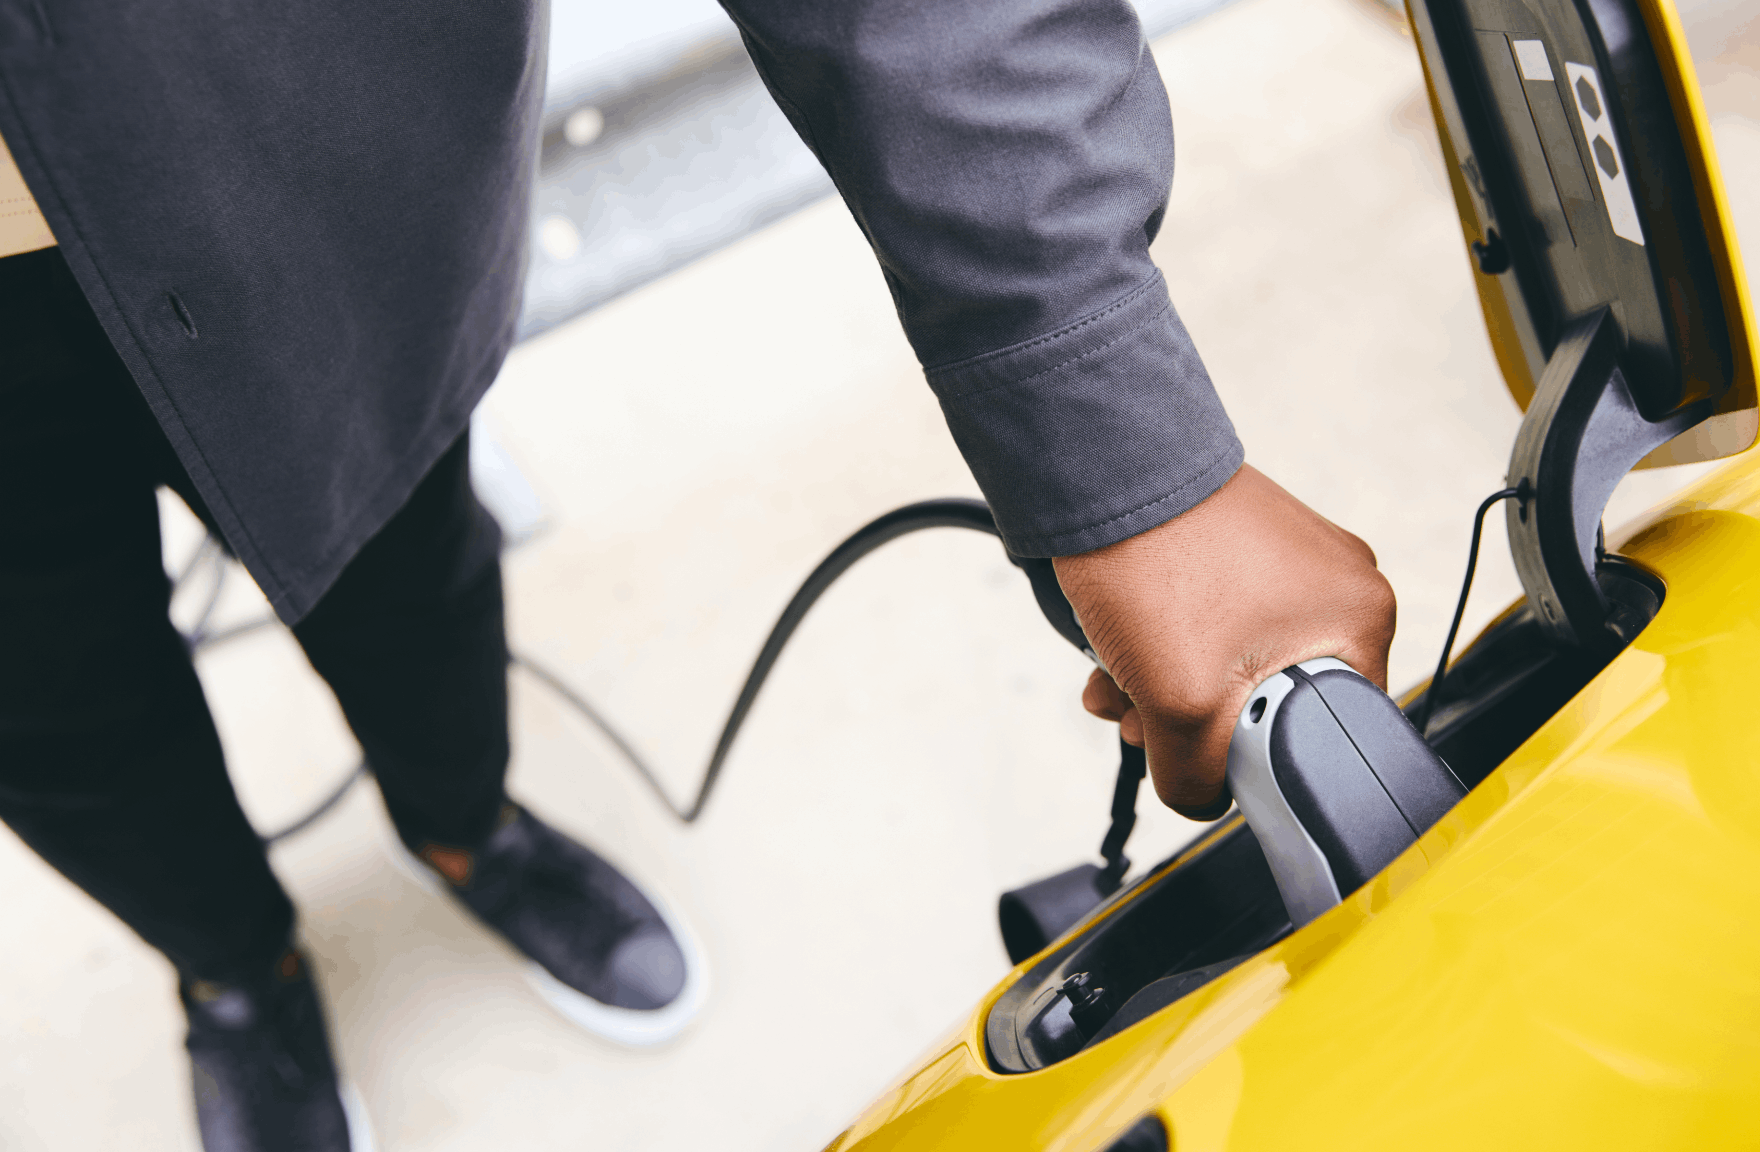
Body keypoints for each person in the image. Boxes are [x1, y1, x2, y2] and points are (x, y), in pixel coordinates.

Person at [0, 0, 1395, 1149]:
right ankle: (235, 969)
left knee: (408, 581)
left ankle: (466, 831)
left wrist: (1110, 422)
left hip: (291, 197)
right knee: (55, 728)